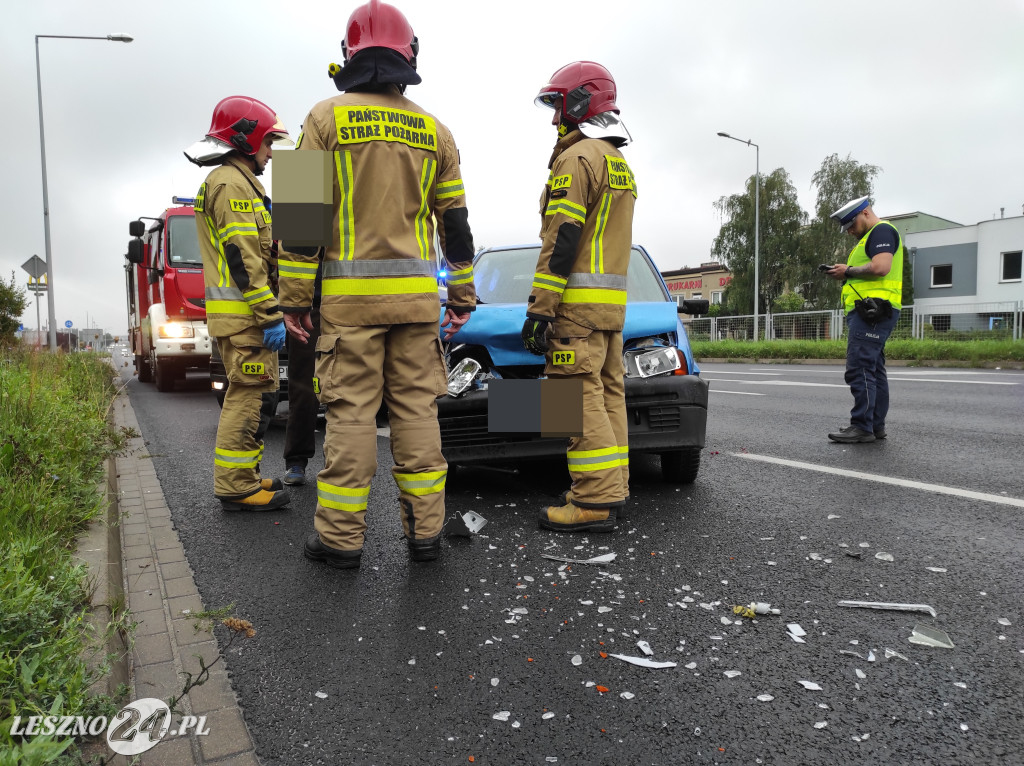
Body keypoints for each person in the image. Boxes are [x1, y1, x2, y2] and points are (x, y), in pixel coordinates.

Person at [278, 0, 477, 569]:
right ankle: (426, 535)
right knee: (418, 414)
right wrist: (460, 298)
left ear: (349, 55)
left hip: (349, 307)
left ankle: (341, 540)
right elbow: (457, 227)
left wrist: (294, 300)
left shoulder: (321, 119)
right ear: (408, 55)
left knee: (350, 416)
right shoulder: (435, 131)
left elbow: (299, 224)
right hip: (417, 306)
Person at [522, 61, 635, 533]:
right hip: (608, 309)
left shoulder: (576, 158)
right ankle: (611, 486)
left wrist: (539, 310)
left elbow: (562, 240)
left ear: (582, 102)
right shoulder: (618, 161)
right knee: (608, 394)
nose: (553, 119)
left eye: (557, 106)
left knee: (571, 398)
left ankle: (592, 499)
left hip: (575, 309)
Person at [185, 96, 294, 511]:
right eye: (268, 144)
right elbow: (243, 256)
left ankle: (243, 476)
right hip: (246, 317)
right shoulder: (231, 184)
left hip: (242, 317)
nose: (270, 154)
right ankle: (235, 486)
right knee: (247, 396)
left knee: (253, 394)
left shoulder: (236, 182)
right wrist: (269, 313)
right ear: (246, 139)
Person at [824, 195, 903, 443]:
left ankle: (862, 426)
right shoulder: (871, 237)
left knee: (860, 367)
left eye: (851, 225)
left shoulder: (881, 231)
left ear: (865, 213)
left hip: (873, 312)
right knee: (874, 369)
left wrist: (846, 271)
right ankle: (874, 425)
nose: (849, 232)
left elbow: (881, 267)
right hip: (873, 311)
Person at [281, 261, 322, 486]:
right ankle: (296, 459)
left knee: (354, 386)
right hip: (312, 304)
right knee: (304, 387)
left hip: (357, 305)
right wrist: (293, 304)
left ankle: (350, 463)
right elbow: (293, 250)